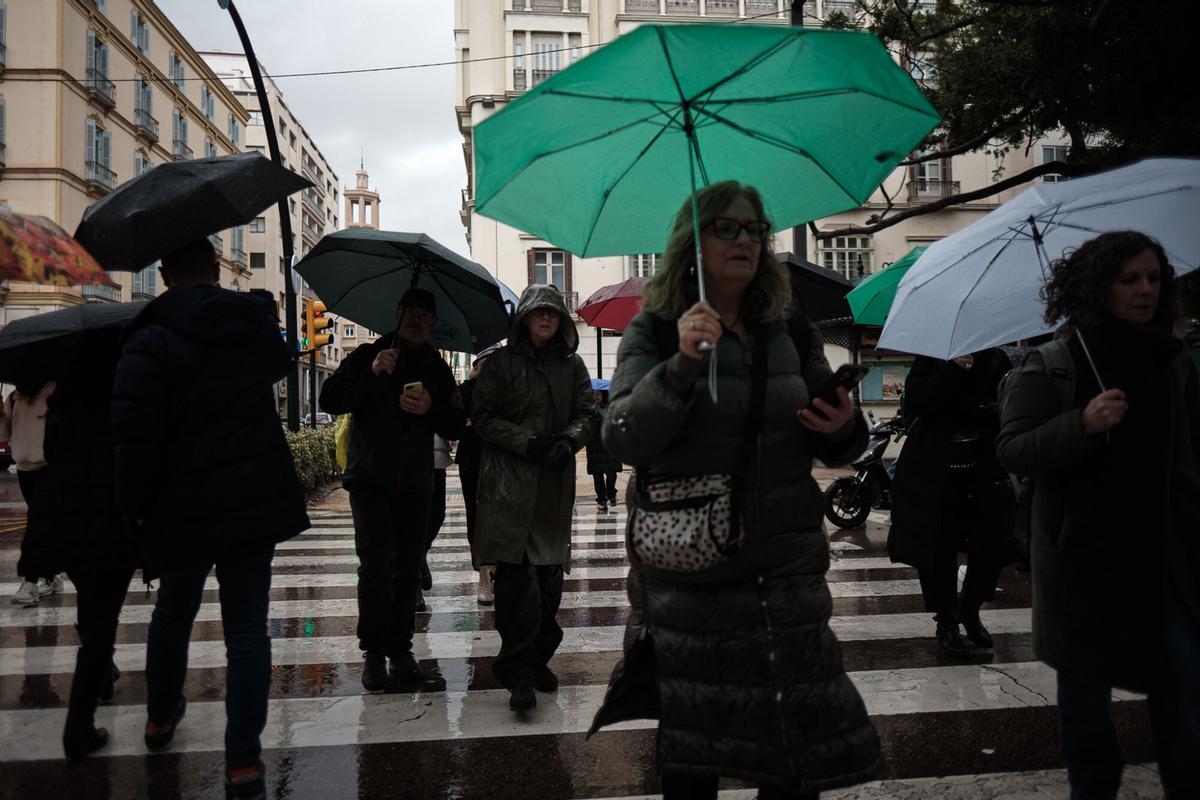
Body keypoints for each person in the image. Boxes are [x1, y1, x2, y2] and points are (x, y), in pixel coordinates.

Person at [588, 181, 880, 799]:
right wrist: (683, 365)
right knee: (697, 752)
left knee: (797, 750)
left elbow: (838, 441)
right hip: (693, 577)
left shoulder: (791, 329)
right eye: (726, 228)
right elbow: (622, 437)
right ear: (692, 244)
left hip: (786, 571)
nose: (745, 239)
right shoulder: (656, 331)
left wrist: (845, 425)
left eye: (753, 228)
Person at [996, 231, 1200, 799]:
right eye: (1129, 280)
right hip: (1083, 567)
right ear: (1098, 286)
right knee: (1086, 721)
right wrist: (1080, 425)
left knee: (1184, 709)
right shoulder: (1055, 362)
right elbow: (1013, 449)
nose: (1145, 291)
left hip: (1167, 565)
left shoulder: (1174, 363)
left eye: (1154, 279)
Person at [111, 238, 310, 800]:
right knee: (247, 629)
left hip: (181, 505)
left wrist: (134, 514)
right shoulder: (247, 324)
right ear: (216, 270)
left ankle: (160, 715)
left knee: (174, 611)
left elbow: (132, 437)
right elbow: (281, 365)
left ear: (165, 272)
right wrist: (267, 315)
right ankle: (242, 758)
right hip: (250, 499)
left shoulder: (148, 337)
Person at [319, 288, 466, 692]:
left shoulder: (436, 365)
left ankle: (401, 648)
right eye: (411, 313)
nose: (417, 321)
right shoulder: (369, 354)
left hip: (417, 482)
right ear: (397, 314)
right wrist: (371, 373)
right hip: (370, 480)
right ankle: (373, 652)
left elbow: (456, 423)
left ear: (433, 324)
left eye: (425, 316)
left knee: (407, 569)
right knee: (375, 566)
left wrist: (431, 408)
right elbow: (329, 398)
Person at [471, 285, 598, 712]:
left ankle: (537, 656)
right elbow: (483, 418)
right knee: (517, 586)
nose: (546, 318)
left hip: (550, 490)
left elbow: (587, 414)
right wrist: (529, 443)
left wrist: (568, 441)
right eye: (538, 312)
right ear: (524, 318)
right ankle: (519, 671)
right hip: (509, 489)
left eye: (553, 313)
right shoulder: (501, 365)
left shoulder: (573, 366)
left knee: (548, 587)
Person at [35, 329, 139, 760]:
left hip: (65, 521)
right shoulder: (123, 401)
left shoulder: (61, 406)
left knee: (90, 608)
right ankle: (80, 722)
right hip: (108, 522)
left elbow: (48, 457)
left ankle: (99, 678)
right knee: (102, 619)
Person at [887, 349, 1016, 659]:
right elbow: (918, 403)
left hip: (984, 468)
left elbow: (1006, 406)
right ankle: (946, 623)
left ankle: (970, 609)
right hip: (936, 473)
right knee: (937, 549)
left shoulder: (997, 360)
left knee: (990, 546)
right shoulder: (931, 359)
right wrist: (954, 370)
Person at [4, 381, 65, 607]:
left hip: (48, 465)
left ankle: (30, 582)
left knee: (37, 521)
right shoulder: (15, 397)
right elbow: (5, 433)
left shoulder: (54, 392)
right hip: (23, 465)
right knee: (42, 520)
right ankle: (53, 574)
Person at [454, 344, 500, 605]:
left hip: (501, 458)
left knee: (498, 511)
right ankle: (483, 570)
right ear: (477, 365)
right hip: (472, 457)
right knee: (476, 511)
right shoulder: (465, 390)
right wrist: (466, 423)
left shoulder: (508, 390)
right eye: (487, 360)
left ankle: (496, 565)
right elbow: (454, 421)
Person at [417, 434, 453, 612]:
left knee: (437, 515)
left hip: (437, 456)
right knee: (414, 520)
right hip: (406, 457)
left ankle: (419, 555)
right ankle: (414, 578)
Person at [585, 388, 621, 512]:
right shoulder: (588, 410)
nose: (596, 396)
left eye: (598, 393)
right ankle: (601, 499)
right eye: (593, 393)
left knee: (612, 473)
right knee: (598, 475)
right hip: (594, 446)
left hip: (610, 445)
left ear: (604, 394)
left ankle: (611, 494)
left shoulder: (611, 407)